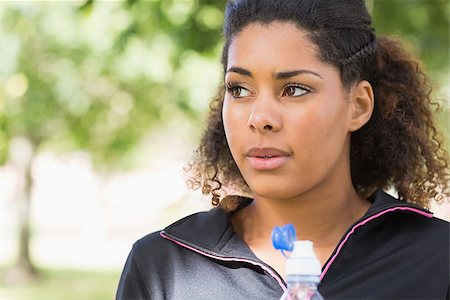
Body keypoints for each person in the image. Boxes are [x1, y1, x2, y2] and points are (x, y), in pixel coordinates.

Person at [116, 0, 450, 299]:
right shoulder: (162, 266)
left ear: (358, 106)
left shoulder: (437, 260)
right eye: (240, 89)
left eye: (294, 89)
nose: (259, 118)